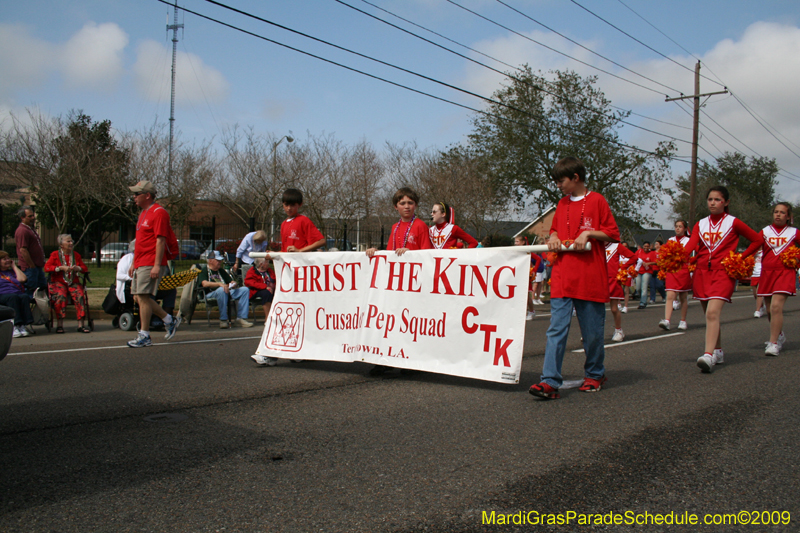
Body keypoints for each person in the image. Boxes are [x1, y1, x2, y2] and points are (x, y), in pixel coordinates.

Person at [529, 157, 619, 400]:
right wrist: (553, 237)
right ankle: (549, 381)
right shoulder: (562, 204)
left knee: (592, 333)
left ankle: (595, 374)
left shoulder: (597, 200)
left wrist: (588, 234)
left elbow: (613, 233)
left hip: (589, 277)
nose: (558, 185)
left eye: (561, 181)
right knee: (556, 329)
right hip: (562, 276)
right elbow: (555, 230)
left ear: (576, 178)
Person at [682, 186, 762, 373]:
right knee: (709, 315)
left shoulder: (733, 222)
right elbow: (691, 245)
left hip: (724, 273)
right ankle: (717, 351)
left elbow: (757, 240)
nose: (712, 203)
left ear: (726, 202)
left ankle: (708, 355)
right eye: (710, 199)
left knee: (712, 313)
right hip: (702, 273)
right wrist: (675, 257)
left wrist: (740, 258)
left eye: (717, 199)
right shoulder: (700, 224)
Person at [364, 187, 432, 375]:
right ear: (396, 206)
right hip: (395, 284)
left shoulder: (420, 226)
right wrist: (375, 252)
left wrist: (411, 253)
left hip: (413, 283)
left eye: (410, 203)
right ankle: (386, 359)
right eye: (402, 203)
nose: (407, 206)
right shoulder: (394, 227)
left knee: (409, 322)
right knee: (390, 321)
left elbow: (428, 254)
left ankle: (411, 362)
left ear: (416, 205)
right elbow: (389, 254)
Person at [126, 180, 180, 348]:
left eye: (137, 194)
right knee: (138, 297)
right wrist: (133, 262)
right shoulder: (143, 214)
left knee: (143, 297)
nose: (134, 197)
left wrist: (157, 265)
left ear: (147, 195)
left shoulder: (159, 213)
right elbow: (139, 242)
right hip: (140, 261)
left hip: (150, 261)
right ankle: (168, 320)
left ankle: (144, 335)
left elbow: (160, 240)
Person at [748, 202, 799, 356]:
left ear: (788, 216)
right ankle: (779, 334)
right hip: (767, 274)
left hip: (785, 273)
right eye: (776, 212)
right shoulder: (765, 231)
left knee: (776, 307)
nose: (778, 214)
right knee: (770, 310)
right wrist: (741, 258)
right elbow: (754, 247)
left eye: (782, 212)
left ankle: (773, 343)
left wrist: (797, 259)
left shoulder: (794, 232)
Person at [117, 239, 176, 317]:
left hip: (154, 285)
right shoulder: (127, 258)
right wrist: (132, 278)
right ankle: (155, 316)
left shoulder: (151, 258)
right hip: (135, 287)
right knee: (148, 292)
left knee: (171, 291)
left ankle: (167, 315)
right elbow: (119, 275)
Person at [44, 234, 90, 333]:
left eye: (71, 241)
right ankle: (60, 325)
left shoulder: (76, 255)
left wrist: (78, 268)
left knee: (80, 295)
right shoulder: (55, 255)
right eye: (68, 241)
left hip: (73, 281)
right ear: (61, 245)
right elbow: (47, 267)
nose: (71, 243)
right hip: (58, 282)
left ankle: (81, 325)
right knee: (61, 296)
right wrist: (60, 268)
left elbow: (84, 268)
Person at [198, 250, 253, 329]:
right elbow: (205, 284)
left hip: (227, 291)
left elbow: (231, 281)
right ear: (210, 260)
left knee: (245, 290)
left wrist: (233, 283)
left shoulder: (221, 271)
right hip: (211, 293)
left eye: (220, 260)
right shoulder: (204, 270)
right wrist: (219, 284)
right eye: (217, 260)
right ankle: (223, 320)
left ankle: (241, 318)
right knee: (221, 290)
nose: (220, 262)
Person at [659, 220, 692, 331]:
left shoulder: (688, 240)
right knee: (670, 295)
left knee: (683, 297)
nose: (677, 228)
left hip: (683, 270)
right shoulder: (670, 240)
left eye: (680, 226)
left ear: (685, 229)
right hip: (672, 270)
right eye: (676, 226)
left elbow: (694, 252)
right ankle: (667, 321)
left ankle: (683, 320)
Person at [247, 258, 278, 365]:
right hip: (258, 290)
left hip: (271, 289)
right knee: (266, 293)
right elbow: (249, 282)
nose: (268, 264)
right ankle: (267, 316)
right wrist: (265, 286)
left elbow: (275, 279)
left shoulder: (270, 271)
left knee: (273, 293)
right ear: (261, 264)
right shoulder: (252, 271)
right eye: (267, 262)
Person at [277, 189, 325, 254]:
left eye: (292, 205)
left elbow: (321, 241)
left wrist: (300, 250)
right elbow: (284, 251)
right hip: (289, 260)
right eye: (286, 204)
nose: (289, 208)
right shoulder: (283, 224)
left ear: (300, 205)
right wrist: (273, 254)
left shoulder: (304, 220)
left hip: (301, 260)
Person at [14, 206, 47, 298]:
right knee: (30, 290)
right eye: (29, 216)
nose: (33, 218)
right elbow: (23, 250)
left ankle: (39, 307)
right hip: (30, 268)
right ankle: (28, 306)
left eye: (33, 215)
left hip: (37, 266)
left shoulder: (30, 229)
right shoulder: (22, 230)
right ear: (22, 218)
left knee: (41, 288)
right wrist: (31, 265)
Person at [605, 240, 634, 341]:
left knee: (614, 308)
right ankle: (591, 332)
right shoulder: (596, 245)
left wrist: (622, 268)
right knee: (596, 309)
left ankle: (619, 330)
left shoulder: (616, 246)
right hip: (599, 279)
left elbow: (633, 257)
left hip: (613, 280)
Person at [0, 251, 34, 337]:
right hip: (3, 294)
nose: (8, 260)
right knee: (13, 297)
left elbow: (22, 279)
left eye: (8, 258)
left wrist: (14, 266)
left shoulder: (12, 272)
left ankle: (23, 325)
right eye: (4, 259)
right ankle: (15, 325)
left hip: (16, 293)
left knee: (24, 296)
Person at [514, 235, 541, 320]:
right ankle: (522, 312)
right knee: (518, 294)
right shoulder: (514, 251)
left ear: (523, 242)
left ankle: (531, 311)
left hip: (525, 274)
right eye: (515, 242)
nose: (516, 243)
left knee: (526, 295)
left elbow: (538, 259)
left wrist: (534, 270)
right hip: (517, 274)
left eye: (517, 241)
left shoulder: (527, 251)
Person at [634, 242, 656, 309]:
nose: (646, 248)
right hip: (638, 271)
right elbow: (634, 258)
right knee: (638, 287)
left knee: (644, 286)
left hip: (647, 271)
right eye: (645, 246)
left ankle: (643, 302)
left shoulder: (652, 253)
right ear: (642, 246)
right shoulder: (639, 252)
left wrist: (649, 263)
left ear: (649, 247)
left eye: (647, 246)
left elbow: (656, 262)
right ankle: (643, 297)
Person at [751, 250, 766, 318]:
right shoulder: (754, 252)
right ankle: (761, 306)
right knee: (755, 294)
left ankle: (757, 310)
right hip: (754, 274)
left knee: (759, 293)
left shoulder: (765, 251)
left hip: (762, 274)